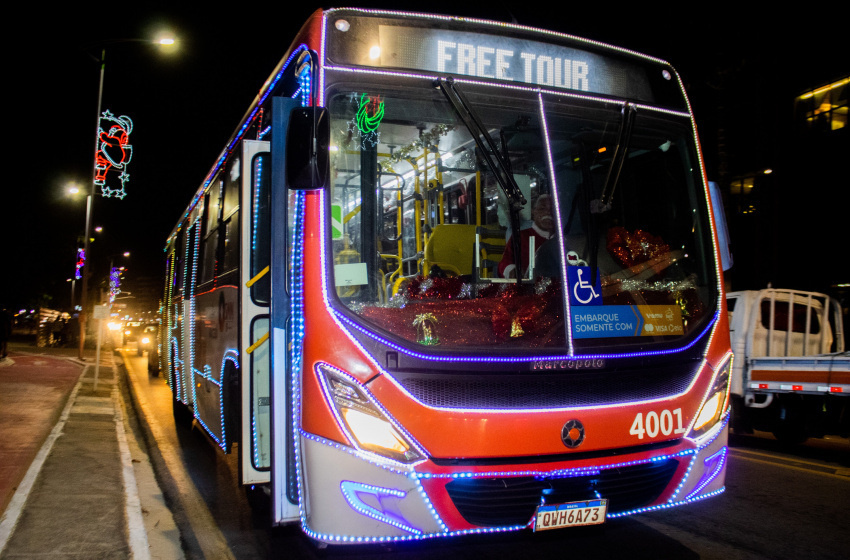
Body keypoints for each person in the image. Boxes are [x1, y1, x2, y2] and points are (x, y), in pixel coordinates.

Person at [498, 194, 555, 278]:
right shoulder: (520, 237)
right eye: (542, 209)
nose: (548, 212)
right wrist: (512, 270)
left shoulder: (562, 240)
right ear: (534, 211)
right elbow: (504, 262)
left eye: (552, 209)